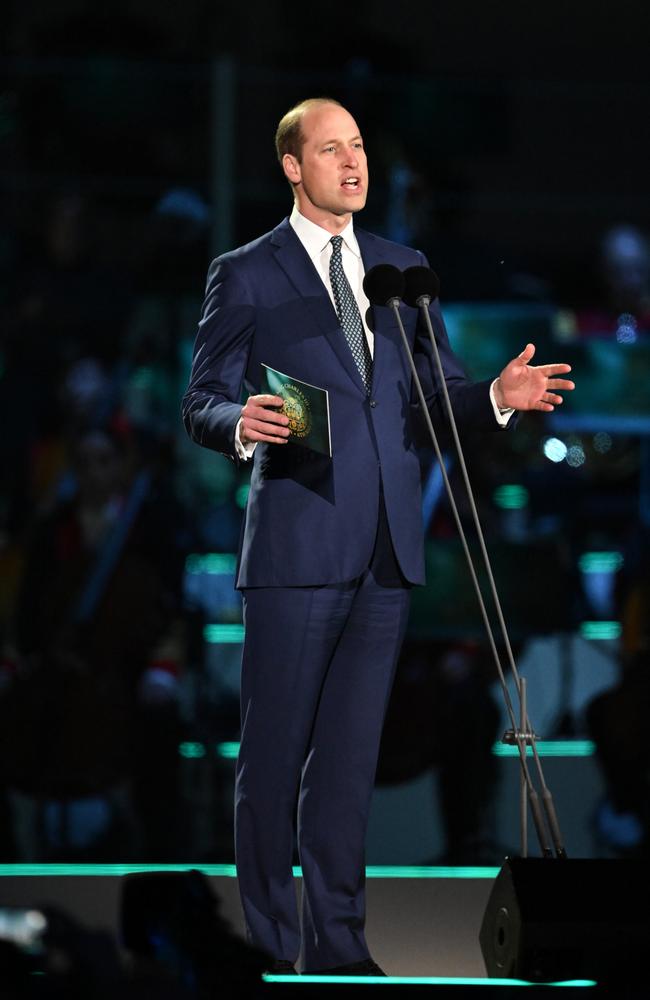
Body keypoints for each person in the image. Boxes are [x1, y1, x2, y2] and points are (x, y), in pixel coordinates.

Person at [182, 97, 574, 975]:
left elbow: (438, 398)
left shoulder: (405, 269)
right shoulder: (245, 272)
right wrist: (237, 420)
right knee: (274, 762)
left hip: (389, 550)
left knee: (348, 764)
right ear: (293, 166)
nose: (350, 163)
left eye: (357, 147)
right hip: (296, 546)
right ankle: (274, 949)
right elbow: (198, 399)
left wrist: (497, 399)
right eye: (330, 150)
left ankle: (341, 947)